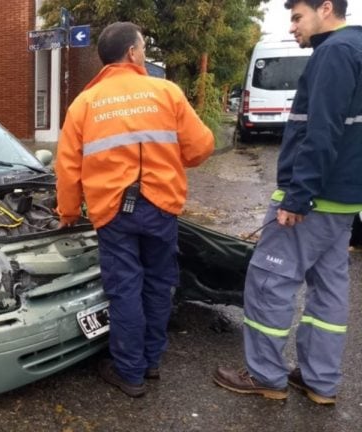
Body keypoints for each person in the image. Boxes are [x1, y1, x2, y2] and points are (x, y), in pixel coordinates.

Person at [214, 0, 362, 405]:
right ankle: (320, 381)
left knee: (268, 283)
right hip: (343, 203)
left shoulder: (335, 52)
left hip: (311, 202)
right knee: (328, 293)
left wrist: (298, 196)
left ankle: (265, 375)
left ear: (326, 8)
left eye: (297, 17)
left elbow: (323, 130)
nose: (293, 27)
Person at [55, 22, 214, 398]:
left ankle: (130, 373)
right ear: (131, 53)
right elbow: (201, 147)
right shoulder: (166, 92)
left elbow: (66, 167)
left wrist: (68, 213)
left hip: (112, 211)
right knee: (159, 284)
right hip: (161, 205)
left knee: (125, 289)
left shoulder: (85, 103)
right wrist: (169, 158)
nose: (143, 53)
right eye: (143, 47)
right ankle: (151, 362)